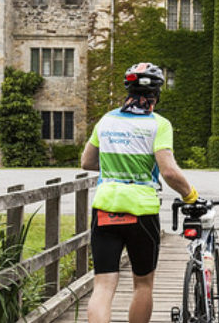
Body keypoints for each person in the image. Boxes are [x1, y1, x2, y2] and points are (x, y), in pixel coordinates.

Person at [81, 62, 199, 323]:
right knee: (143, 284)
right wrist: (191, 195)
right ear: (156, 94)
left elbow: (87, 162)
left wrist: (116, 163)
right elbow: (169, 172)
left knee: (103, 286)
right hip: (141, 213)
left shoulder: (107, 120)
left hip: (105, 209)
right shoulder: (159, 125)